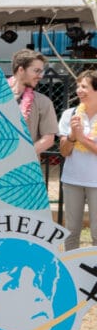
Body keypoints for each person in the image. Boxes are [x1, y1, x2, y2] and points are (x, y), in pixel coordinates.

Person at [58, 69, 97, 250]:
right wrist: (73, 136)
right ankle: (71, 272)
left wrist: (83, 139)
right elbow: (64, 152)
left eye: (84, 86)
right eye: (77, 86)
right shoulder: (70, 114)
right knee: (71, 231)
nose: (78, 90)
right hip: (72, 180)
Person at [9, 49, 58, 156]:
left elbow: (49, 139)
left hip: (24, 167)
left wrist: (21, 156)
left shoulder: (43, 102)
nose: (40, 76)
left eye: (42, 71)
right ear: (21, 70)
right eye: (36, 71)